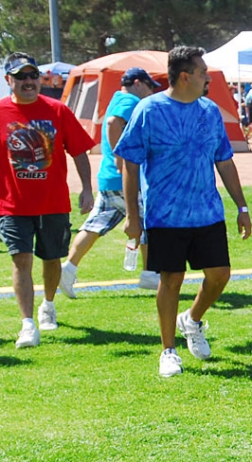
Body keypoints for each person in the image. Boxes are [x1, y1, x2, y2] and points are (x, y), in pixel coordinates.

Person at [114, 46, 252, 377]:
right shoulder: (149, 110)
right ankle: (168, 350)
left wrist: (242, 205)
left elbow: (224, 160)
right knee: (171, 279)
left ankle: (191, 320)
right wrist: (133, 217)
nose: (207, 77)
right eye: (203, 72)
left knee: (219, 275)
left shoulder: (209, 111)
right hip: (165, 213)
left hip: (207, 212)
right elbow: (129, 164)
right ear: (185, 76)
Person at [0, 52, 95, 348]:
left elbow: (79, 151)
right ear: (9, 81)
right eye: (21, 77)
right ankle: (28, 324)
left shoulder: (57, 110)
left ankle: (48, 305)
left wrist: (87, 189)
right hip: (12, 204)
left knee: (51, 259)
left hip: (53, 202)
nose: (28, 81)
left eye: (32, 76)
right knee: (21, 259)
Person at [59, 67, 161, 297]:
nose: (151, 92)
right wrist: (121, 158)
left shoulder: (116, 98)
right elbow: (114, 123)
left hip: (108, 179)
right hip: (125, 177)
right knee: (148, 221)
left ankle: (67, 270)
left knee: (94, 226)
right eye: (149, 86)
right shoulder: (130, 101)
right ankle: (150, 273)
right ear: (138, 83)